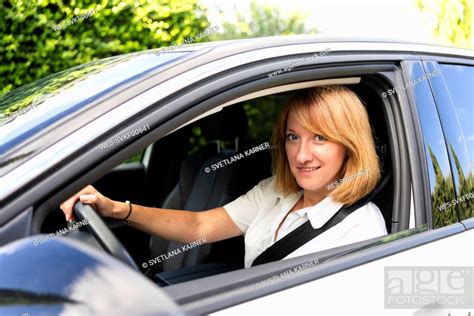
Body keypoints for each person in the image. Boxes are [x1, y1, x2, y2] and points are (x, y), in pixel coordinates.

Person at [60, 85, 388, 268]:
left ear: (349, 145)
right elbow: (199, 226)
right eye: (292, 137)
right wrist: (116, 209)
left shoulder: (361, 228)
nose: (301, 155)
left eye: (320, 138)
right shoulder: (275, 191)